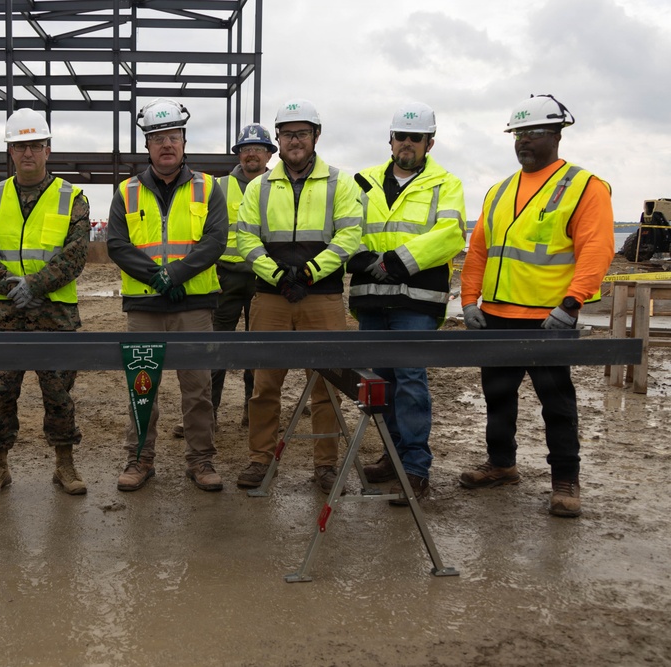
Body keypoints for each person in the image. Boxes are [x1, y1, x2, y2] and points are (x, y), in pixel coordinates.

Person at [459, 94, 614, 518]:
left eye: (534, 133)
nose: (523, 141)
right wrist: (469, 300)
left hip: (549, 319)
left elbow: (596, 249)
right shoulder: (499, 191)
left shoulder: (584, 186)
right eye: (518, 134)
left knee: (557, 403)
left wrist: (572, 304)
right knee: (497, 397)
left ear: (557, 135)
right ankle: (501, 464)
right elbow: (478, 251)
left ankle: (565, 481)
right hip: (497, 316)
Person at [235, 98, 362, 493]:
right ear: (278, 138)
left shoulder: (340, 183)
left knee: (327, 386)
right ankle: (260, 460)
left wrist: (308, 272)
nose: (294, 140)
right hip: (271, 297)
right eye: (288, 133)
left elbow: (349, 236)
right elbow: (245, 238)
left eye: (302, 133)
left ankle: (325, 466)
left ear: (316, 136)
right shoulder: (259, 187)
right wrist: (276, 275)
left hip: (321, 298)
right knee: (264, 385)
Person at [346, 102, 466, 504]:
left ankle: (415, 468)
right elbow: (347, 226)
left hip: (417, 301)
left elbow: (450, 234)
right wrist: (363, 259)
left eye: (417, 138)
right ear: (391, 139)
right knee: (379, 383)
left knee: (411, 381)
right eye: (402, 136)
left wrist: (396, 262)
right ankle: (393, 455)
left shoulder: (445, 184)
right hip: (371, 298)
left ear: (430, 142)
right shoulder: (363, 181)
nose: (407, 144)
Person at [106, 97, 227, 492]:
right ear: (147, 145)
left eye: (173, 136)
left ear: (184, 141)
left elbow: (214, 241)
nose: (166, 144)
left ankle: (201, 460)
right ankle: (139, 459)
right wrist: (156, 278)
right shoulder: (127, 191)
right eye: (158, 138)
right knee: (142, 388)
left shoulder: (208, 187)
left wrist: (173, 275)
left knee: (197, 389)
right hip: (145, 305)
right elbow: (117, 244)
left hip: (193, 304)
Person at [0, 108, 90, 498]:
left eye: (35, 145)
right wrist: (11, 286)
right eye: (20, 146)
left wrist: (35, 286)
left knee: (59, 394)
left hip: (55, 314)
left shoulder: (73, 197)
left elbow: (75, 254)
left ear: (47, 150)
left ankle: (64, 463)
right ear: (10, 150)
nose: (27, 153)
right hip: (1, 315)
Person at [172, 123, 275, 439]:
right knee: (215, 349)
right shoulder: (218, 187)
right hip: (225, 277)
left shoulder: (279, 187)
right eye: (245, 149)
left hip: (263, 279)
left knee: (258, 350)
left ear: (269, 154)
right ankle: (208, 414)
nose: (251, 154)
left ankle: (253, 413)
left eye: (257, 148)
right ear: (238, 154)